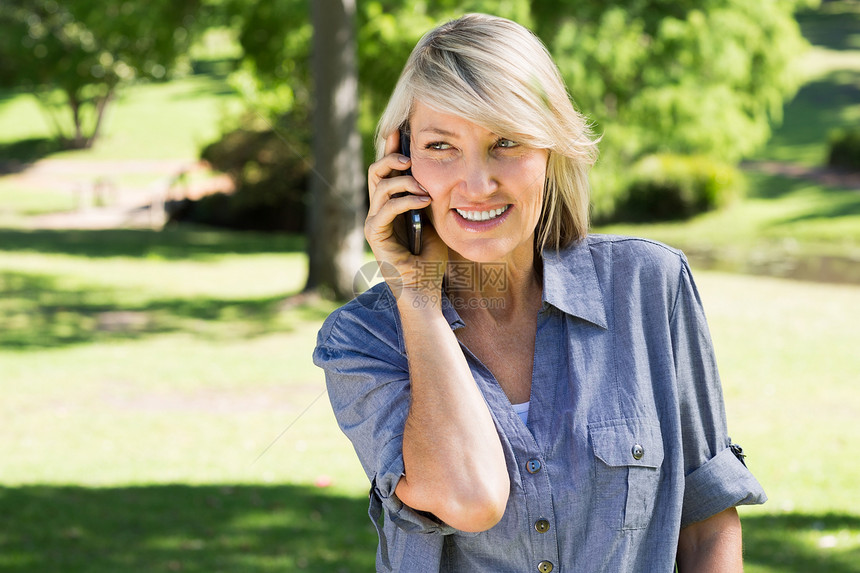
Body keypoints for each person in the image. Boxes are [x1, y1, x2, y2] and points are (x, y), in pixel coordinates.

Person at [313, 13, 766, 572]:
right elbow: (469, 498)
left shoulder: (650, 287)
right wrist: (416, 294)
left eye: (506, 141)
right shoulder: (360, 341)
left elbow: (706, 526)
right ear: (400, 162)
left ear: (550, 149)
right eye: (440, 146)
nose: (477, 184)